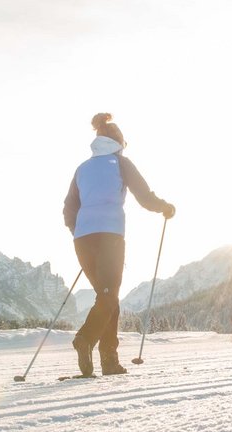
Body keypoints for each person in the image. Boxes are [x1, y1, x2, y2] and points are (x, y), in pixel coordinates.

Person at [63, 113, 175, 376]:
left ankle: (109, 361)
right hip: (110, 236)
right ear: (119, 142)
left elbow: (69, 207)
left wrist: (78, 230)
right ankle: (86, 339)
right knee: (109, 295)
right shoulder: (121, 163)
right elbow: (144, 196)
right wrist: (165, 208)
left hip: (83, 239)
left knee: (107, 296)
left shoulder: (82, 168)